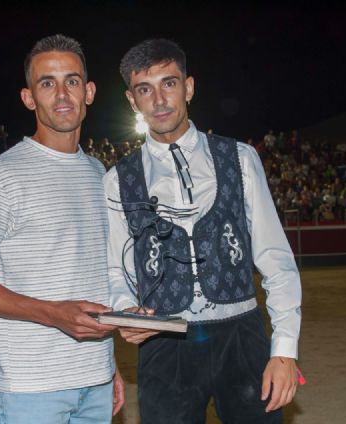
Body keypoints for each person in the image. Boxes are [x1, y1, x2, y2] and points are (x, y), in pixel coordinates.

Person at [104, 38, 302, 423]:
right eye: (145, 89)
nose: (159, 100)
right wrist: (126, 309)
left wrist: (284, 351)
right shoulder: (117, 180)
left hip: (242, 336)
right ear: (132, 100)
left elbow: (275, 258)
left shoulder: (240, 159)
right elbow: (117, 270)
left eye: (169, 83)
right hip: (163, 343)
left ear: (189, 87)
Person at [0, 34, 124, 423]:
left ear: (89, 92)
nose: (61, 94)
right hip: (31, 389)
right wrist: (51, 313)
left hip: (94, 381)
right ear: (29, 98)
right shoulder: (1, 175)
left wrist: (109, 366)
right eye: (47, 83)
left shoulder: (99, 174)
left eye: (72, 80)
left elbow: (90, 275)